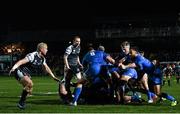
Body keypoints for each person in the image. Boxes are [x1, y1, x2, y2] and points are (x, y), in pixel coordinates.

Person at [9, 42, 60, 109]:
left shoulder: (42, 59)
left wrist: (53, 77)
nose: (47, 50)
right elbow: (21, 61)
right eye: (46, 49)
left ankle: (22, 101)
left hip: (27, 74)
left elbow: (47, 68)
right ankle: (21, 103)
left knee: (29, 90)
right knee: (30, 83)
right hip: (19, 71)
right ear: (41, 49)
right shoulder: (32, 55)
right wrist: (13, 68)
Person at [60, 36, 83, 106]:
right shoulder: (70, 48)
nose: (78, 42)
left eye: (79, 41)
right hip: (69, 66)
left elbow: (77, 56)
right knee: (65, 82)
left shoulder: (79, 47)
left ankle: (75, 98)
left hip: (75, 66)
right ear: (73, 41)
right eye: (76, 41)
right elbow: (65, 57)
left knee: (80, 80)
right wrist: (67, 66)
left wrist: (79, 63)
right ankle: (67, 98)